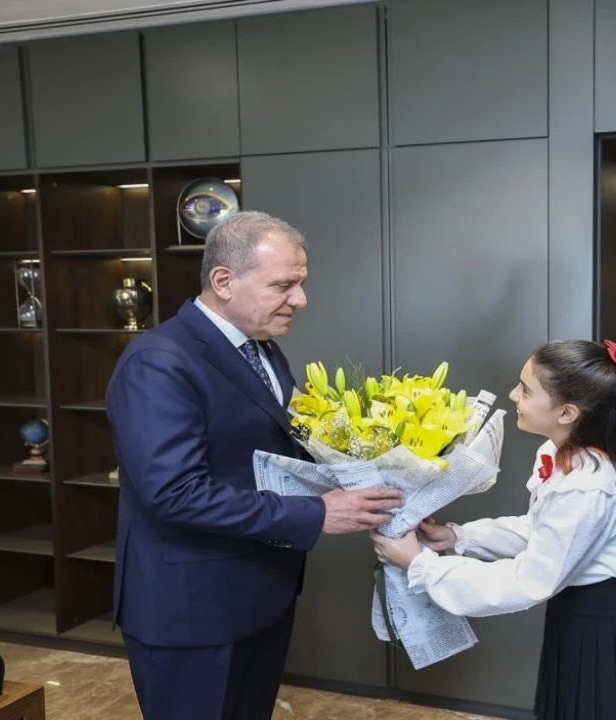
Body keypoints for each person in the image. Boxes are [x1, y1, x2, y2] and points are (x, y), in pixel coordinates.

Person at [105, 211, 403, 720]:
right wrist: (318, 514)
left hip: (259, 593)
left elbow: (276, 450)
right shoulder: (158, 361)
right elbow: (175, 493)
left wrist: (383, 474)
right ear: (223, 281)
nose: (300, 300)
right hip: (192, 611)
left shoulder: (263, 349)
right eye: (284, 285)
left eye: (300, 284)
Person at [371, 340, 616, 720]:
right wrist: (459, 537)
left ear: (567, 412)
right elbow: (541, 529)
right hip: (585, 613)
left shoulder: (588, 483)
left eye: (526, 390)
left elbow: (529, 580)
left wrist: (419, 565)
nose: (513, 395)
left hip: (615, 626)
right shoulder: (562, 454)